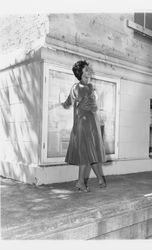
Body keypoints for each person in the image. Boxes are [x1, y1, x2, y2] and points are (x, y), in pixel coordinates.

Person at [51, 60, 106, 192]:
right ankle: (81, 182)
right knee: (87, 153)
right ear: (81, 73)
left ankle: (99, 179)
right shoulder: (86, 88)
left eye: (88, 69)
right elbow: (91, 107)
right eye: (86, 70)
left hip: (83, 125)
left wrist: (59, 104)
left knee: (88, 153)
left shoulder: (75, 87)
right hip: (87, 125)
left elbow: (67, 103)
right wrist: (93, 101)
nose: (89, 71)